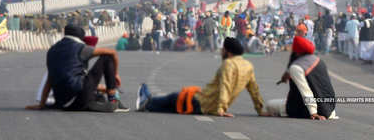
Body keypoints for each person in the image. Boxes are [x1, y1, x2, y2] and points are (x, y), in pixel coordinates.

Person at [136, 37, 266, 117]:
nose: (221, 52)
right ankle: (148, 104)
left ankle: (146, 101)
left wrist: (221, 108)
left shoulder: (228, 63)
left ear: (228, 51)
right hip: (207, 104)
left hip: (202, 103)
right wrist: (260, 109)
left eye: (223, 49)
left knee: (173, 98)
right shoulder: (248, 66)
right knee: (170, 106)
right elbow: (254, 89)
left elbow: (225, 85)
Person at [26, 25, 128, 112]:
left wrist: (42, 104)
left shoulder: (52, 51)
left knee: (98, 97)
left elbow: (49, 80)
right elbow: (112, 52)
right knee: (107, 57)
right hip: (80, 95)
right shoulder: (81, 48)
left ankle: (93, 102)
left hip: (62, 103)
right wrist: (115, 74)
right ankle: (113, 100)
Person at [265, 36, 337, 120]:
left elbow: (305, 91)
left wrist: (313, 112)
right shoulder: (318, 60)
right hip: (329, 109)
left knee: (269, 105)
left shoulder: (296, 67)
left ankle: (311, 110)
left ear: (297, 51)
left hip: (315, 110)